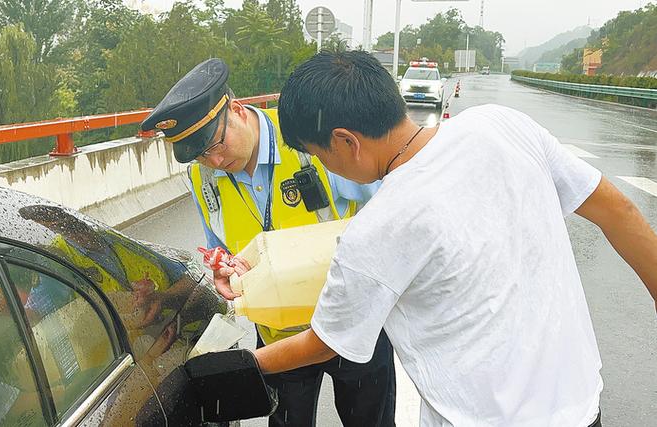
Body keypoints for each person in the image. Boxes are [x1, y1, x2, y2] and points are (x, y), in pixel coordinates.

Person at [251, 51, 657, 426]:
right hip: (581, 409)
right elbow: (617, 211)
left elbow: (325, 342)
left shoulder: (377, 230)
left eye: (321, 156)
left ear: (345, 141)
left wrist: (239, 364)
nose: (327, 167)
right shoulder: (502, 124)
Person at [141, 58, 396, 427]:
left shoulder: (308, 138)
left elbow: (388, 214)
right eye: (200, 155)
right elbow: (223, 251)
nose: (214, 159)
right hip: (281, 340)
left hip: (353, 327)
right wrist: (226, 271)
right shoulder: (205, 178)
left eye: (216, 143)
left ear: (237, 110)